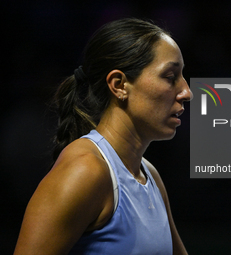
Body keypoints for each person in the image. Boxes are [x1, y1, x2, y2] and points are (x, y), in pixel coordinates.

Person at [14, 18, 192, 255]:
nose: (187, 92)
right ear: (119, 85)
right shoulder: (85, 170)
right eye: (170, 77)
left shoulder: (151, 177)